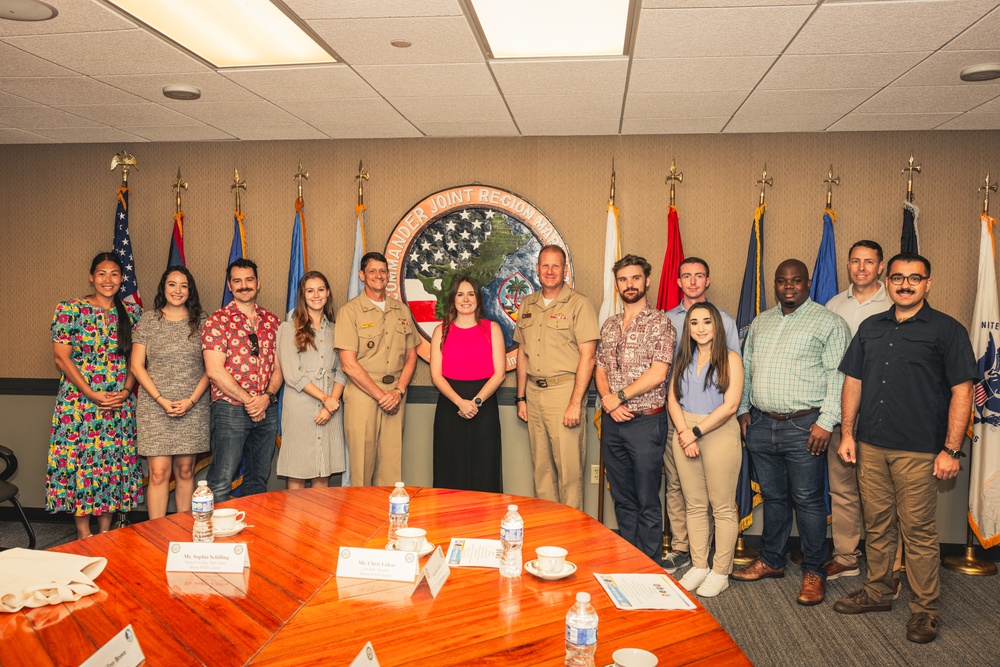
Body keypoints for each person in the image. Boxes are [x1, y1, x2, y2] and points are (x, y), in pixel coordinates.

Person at [833, 253, 976, 644]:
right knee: (877, 526)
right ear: (888, 281)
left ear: (928, 283)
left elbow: (962, 391)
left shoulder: (947, 330)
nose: (905, 284)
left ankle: (925, 611)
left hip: (920, 451)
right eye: (898, 278)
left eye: (915, 278)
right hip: (871, 446)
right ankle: (878, 592)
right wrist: (847, 434)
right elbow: (854, 383)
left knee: (918, 533)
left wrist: (951, 450)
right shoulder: (870, 327)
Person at [732, 259, 850, 606]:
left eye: (796, 280)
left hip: (805, 427)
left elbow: (838, 377)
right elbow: (747, 368)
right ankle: (771, 560)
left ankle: (815, 571)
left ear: (808, 282)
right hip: (761, 424)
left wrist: (826, 422)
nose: (788, 286)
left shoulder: (829, 323)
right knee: (774, 498)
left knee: (809, 501)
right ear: (774, 283)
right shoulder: (762, 322)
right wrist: (742, 410)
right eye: (782, 280)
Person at [47, 252, 143, 539]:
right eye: (101, 273)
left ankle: (105, 534)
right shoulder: (69, 309)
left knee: (111, 465)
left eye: (114, 274)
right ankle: (83, 533)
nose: (108, 280)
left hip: (117, 405)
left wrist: (125, 391)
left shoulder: (132, 312)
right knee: (83, 465)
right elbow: (61, 358)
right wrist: (91, 394)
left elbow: (136, 360)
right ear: (91, 276)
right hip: (79, 406)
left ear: (122, 278)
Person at [823, 240, 897, 584]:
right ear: (848, 265)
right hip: (842, 413)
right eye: (855, 261)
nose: (862, 267)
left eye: (869, 262)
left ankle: (893, 564)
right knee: (843, 489)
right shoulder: (834, 304)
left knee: (886, 492)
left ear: (881, 267)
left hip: (884, 413)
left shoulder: (897, 302)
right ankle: (846, 556)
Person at [662, 257, 741, 572]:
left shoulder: (729, 351)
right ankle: (697, 565)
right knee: (691, 503)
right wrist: (684, 432)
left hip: (716, 428)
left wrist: (693, 433)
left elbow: (731, 401)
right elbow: (672, 397)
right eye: (694, 323)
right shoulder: (681, 350)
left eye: (707, 322)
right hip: (683, 428)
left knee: (721, 506)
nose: (700, 328)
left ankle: (720, 570)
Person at [595, 255, 674, 562]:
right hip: (613, 422)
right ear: (617, 285)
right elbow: (599, 368)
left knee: (646, 498)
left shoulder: (661, 323)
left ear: (647, 281)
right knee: (622, 497)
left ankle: (651, 564)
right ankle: (629, 560)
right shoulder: (610, 324)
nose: (630, 284)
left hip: (645, 423)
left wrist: (620, 397)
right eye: (624, 279)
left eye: (635, 278)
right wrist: (608, 401)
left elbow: (658, 373)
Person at [515, 245, 600, 510]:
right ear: (537, 268)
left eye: (556, 266)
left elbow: (588, 356)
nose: (550, 271)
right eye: (544, 265)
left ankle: (571, 535)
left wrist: (575, 403)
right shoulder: (528, 304)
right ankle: (547, 531)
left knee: (569, 472)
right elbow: (522, 353)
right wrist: (521, 398)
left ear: (565, 270)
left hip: (564, 392)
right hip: (534, 392)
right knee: (541, 470)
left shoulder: (579, 303)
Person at [131, 266, 210, 519]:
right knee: (158, 472)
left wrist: (191, 400)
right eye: (172, 284)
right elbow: (136, 365)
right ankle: (157, 533)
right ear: (163, 288)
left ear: (191, 290)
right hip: (155, 408)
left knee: (186, 470)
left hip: (192, 407)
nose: (178, 290)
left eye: (184, 285)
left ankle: (186, 532)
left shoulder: (203, 322)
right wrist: (161, 400)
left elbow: (212, 369)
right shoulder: (148, 320)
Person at [334, 252, 420, 486]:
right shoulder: (349, 311)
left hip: (396, 394)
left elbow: (412, 355)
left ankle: (390, 519)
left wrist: (398, 392)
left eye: (383, 271)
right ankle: (361, 522)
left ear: (388, 275)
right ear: (362, 275)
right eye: (372, 271)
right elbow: (348, 364)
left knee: (391, 469)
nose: (378, 275)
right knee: (361, 467)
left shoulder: (400, 310)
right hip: (363, 394)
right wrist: (381, 396)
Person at [202, 258, 283, 501]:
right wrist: (250, 401)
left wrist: (266, 398)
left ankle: (253, 535)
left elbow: (280, 368)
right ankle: (217, 537)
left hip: (266, 410)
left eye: (249, 280)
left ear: (258, 283)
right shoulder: (217, 321)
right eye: (237, 280)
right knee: (222, 480)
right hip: (230, 409)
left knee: (258, 478)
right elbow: (214, 370)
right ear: (229, 285)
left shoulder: (273, 321)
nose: (244, 285)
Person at [430, 276, 506, 492]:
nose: (465, 299)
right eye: (460, 294)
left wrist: (475, 402)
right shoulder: (440, 331)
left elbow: (499, 374)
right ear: (453, 300)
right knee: (449, 469)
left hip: (483, 406)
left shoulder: (493, 329)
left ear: (478, 299)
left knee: (484, 469)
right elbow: (436, 375)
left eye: (471, 294)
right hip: (450, 406)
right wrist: (460, 403)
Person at [276, 271, 347, 489]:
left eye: (320, 289)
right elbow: (292, 374)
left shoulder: (338, 329)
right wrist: (325, 398)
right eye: (310, 291)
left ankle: (321, 523)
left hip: (331, 407)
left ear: (328, 293)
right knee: (296, 472)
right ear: (302, 295)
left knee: (322, 473)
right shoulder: (288, 328)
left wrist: (331, 404)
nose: (316, 295)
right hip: (300, 406)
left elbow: (342, 370)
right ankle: (295, 523)